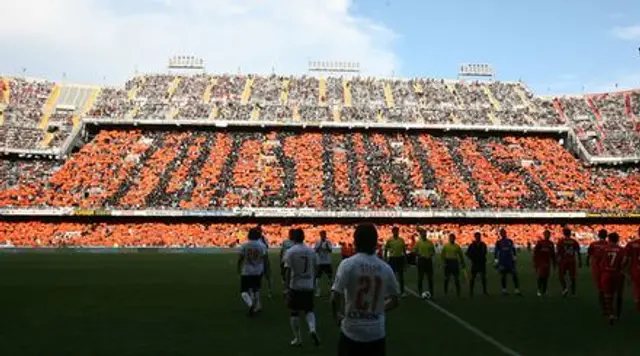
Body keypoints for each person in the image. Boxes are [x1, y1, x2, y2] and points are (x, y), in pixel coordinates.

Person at [331, 223, 400, 356]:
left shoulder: (347, 264)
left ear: (356, 241)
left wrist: (337, 316)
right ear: (375, 242)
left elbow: (335, 297)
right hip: (376, 332)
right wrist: (378, 308)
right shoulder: (385, 268)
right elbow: (395, 300)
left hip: (351, 331)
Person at [282, 228, 320, 347]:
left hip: (295, 285)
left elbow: (287, 271)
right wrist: (313, 282)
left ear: (293, 238)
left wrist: (286, 287)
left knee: (294, 312)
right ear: (303, 237)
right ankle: (312, 328)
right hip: (308, 284)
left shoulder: (290, 251)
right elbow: (316, 268)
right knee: (309, 309)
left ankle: (297, 338)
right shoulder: (311, 251)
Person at [237, 227, 270, 316]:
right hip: (258, 270)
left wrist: (238, 268)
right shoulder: (262, 246)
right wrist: (267, 271)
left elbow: (240, 258)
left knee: (244, 291)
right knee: (256, 289)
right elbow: (265, 259)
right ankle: (257, 306)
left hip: (247, 271)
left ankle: (251, 304)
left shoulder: (244, 245)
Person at [598, 232, 626, 324]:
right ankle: (618, 314)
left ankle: (610, 314)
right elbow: (624, 262)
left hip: (606, 273)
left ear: (609, 239)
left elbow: (599, 261)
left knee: (607, 295)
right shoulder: (621, 249)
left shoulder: (604, 249)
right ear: (617, 239)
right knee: (619, 294)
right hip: (617, 274)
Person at [494, 229, 521, 296]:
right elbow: (496, 252)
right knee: (503, 276)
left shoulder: (510, 241)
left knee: (514, 275)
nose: (503, 234)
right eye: (501, 233)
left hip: (510, 261)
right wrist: (496, 260)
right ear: (500, 234)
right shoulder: (498, 242)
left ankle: (516, 290)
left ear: (506, 233)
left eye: (504, 232)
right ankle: (504, 290)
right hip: (502, 262)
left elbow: (513, 249)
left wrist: (514, 257)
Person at [557, 227, 582, 297]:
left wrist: (556, 260)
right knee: (573, 277)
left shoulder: (561, 241)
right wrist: (580, 261)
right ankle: (573, 292)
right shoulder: (574, 241)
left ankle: (565, 288)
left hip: (563, 261)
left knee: (561, 276)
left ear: (563, 233)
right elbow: (578, 252)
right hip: (572, 261)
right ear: (570, 233)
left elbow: (558, 252)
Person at [587, 229, 608, 310]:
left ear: (598, 235)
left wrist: (587, 262)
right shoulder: (608, 244)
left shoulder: (593, 244)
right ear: (606, 236)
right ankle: (607, 304)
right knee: (607, 288)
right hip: (606, 268)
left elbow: (589, 254)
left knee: (600, 289)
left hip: (596, 269)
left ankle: (603, 307)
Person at [413, 228, 436, 299]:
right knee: (420, 278)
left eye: (425, 233)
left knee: (430, 278)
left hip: (428, 261)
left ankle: (431, 293)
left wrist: (430, 255)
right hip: (421, 261)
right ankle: (420, 293)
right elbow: (415, 251)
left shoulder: (430, 242)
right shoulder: (418, 243)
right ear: (421, 234)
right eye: (423, 233)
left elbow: (433, 252)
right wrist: (419, 255)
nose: (424, 234)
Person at [384, 227, 407, 296]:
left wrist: (405, 260)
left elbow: (404, 251)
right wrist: (385, 259)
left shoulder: (401, 240)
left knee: (401, 276)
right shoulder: (389, 240)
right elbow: (386, 249)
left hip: (400, 258)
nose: (396, 232)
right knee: (392, 276)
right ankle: (391, 291)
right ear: (392, 232)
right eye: (395, 231)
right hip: (392, 259)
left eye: (397, 231)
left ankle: (402, 292)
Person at [533, 230, 556, 297]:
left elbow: (553, 254)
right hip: (540, 263)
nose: (547, 235)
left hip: (547, 263)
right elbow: (535, 253)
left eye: (548, 234)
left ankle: (544, 291)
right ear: (544, 235)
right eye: (546, 234)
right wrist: (535, 262)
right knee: (540, 277)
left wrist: (554, 263)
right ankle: (539, 290)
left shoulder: (551, 243)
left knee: (546, 278)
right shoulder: (540, 243)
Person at [466, 231, 488, 296]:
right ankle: (471, 291)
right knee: (473, 278)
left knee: (483, 278)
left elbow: (484, 253)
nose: (478, 238)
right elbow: (468, 253)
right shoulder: (472, 245)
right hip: (475, 263)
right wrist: (472, 258)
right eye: (477, 237)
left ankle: (484, 291)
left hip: (481, 263)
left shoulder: (483, 244)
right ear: (475, 237)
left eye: (479, 237)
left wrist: (475, 256)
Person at [624, 227, 640, 312]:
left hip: (635, 270)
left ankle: (638, 308)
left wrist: (625, 271)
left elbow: (626, 259)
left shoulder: (631, 244)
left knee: (637, 288)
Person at [315, 230, 333, 297]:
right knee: (317, 277)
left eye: (324, 234)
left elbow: (330, 250)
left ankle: (330, 290)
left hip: (327, 261)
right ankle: (318, 291)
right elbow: (316, 250)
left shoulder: (328, 242)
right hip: (320, 262)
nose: (323, 236)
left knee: (330, 276)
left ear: (325, 235)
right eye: (321, 234)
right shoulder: (317, 242)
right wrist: (320, 244)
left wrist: (327, 245)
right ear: (320, 235)